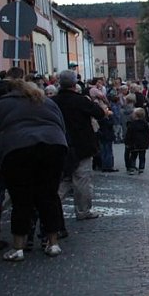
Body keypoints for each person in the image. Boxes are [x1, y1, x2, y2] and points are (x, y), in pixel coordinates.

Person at [0, 77, 68, 261]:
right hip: (53, 145)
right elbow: (61, 126)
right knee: (49, 196)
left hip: (18, 148)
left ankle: (18, 248)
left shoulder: (4, 103)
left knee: (21, 199)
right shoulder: (46, 101)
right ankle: (53, 243)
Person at [53, 69, 108, 221]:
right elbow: (99, 113)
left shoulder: (53, 101)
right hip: (82, 144)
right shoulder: (80, 100)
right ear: (74, 83)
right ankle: (83, 210)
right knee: (82, 179)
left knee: (64, 179)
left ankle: (51, 208)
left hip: (60, 143)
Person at [124, 107, 149, 175]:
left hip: (134, 143)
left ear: (135, 115)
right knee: (142, 156)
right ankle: (141, 168)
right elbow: (148, 134)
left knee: (133, 156)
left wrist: (127, 142)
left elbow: (129, 134)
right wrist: (148, 142)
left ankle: (132, 168)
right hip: (143, 143)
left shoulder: (132, 124)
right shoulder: (145, 124)